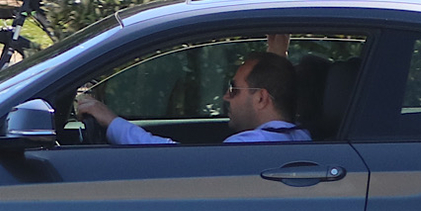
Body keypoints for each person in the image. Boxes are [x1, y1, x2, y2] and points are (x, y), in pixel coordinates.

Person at [75, 52, 312, 146]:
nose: (225, 97)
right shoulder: (301, 137)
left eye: (234, 89)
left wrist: (111, 121)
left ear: (261, 98)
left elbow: (173, 160)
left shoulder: (252, 146)